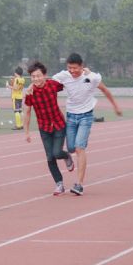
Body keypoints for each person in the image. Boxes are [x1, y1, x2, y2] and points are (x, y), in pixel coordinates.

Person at [51, 53, 122, 195]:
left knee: (79, 147)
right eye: (70, 68)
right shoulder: (64, 76)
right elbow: (47, 84)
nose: (72, 71)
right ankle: (68, 156)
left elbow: (105, 90)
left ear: (81, 66)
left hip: (86, 116)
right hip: (71, 116)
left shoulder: (91, 78)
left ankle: (79, 184)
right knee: (71, 148)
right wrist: (32, 87)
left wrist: (115, 106)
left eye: (75, 68)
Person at [23, 61, 74, 195]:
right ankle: (59, 184)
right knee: (50, 157)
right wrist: (26, 132)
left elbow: (69, 81)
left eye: (38, 76)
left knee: (57, 153)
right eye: (33, 77)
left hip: (58, 124)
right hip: (44, 128)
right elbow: (27, 112)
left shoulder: (52, 84)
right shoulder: (30, 93)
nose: (36, 79)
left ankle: (66, 155)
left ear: (44, 75)